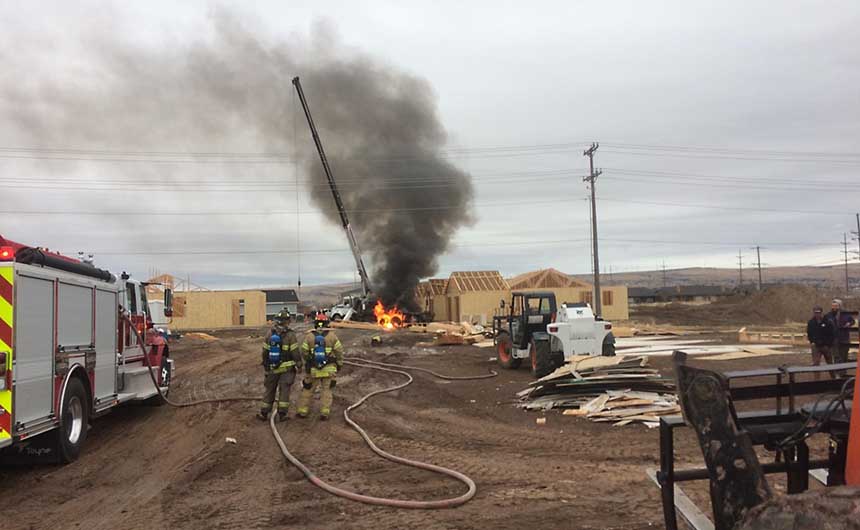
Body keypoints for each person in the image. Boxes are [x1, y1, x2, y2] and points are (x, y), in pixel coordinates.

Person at [297, 312, 344, 420]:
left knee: (308, 389)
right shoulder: (332, 336)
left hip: (313, 369)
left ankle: (303, 411)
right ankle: (324, 412)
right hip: (329, 369)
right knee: (326, 390)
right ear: (327, 323)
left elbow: (304, 351)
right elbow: (339, 352)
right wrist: (339, 364)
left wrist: (308, 361)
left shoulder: (309, 336)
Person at [257, 309, 300, 421]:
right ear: (288, 321)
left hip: (272, 368)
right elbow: (295, 352)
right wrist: (299, 364)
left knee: (269, 389)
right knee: (284, 390)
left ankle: (264, 413)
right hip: (287, 369)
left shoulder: (270, 333)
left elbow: (265, 351)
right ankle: (282, 414)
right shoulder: (290, 335)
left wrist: (266, 365)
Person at [825, 299, 856, 366]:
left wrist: (849, 323)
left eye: (836, 306)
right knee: (836, 356)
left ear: (840, 306)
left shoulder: (846, 314)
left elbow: (853, 321)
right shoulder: (828, 315)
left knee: (844, 355)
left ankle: (843, 372)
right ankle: (837, 373)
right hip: (834, 339)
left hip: (844, 338)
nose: (834, 307)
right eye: (833, 306)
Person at [806, 306, 834, 379]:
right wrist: (812, 341)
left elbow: (832, 334)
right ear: (813, 313)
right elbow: (809, 333)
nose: (817, 314)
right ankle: (817, 381)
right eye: (815, 313)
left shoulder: (827, 321)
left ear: (821, 312)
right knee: (816, 364)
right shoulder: (811, 322)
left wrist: (829, 345)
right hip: (816, 346)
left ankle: (833, 378)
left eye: (818, 312)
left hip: (826, 346)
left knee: (830, 363)